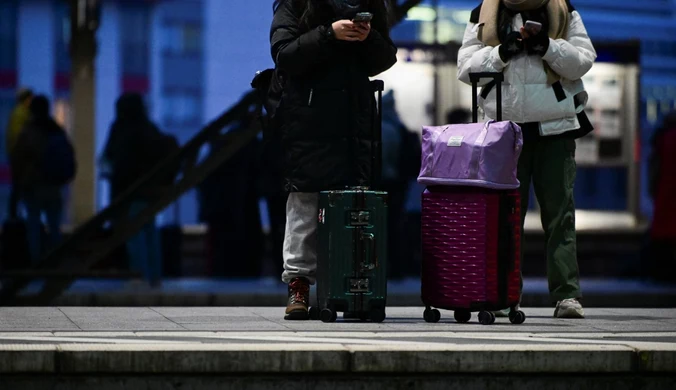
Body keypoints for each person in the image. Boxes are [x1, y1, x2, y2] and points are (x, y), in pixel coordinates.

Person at [458, 0, 597, 318]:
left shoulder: (562, 9)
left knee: (560, 217)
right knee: (504, 221)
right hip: (504, 133)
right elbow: (466, 70)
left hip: (556, 130)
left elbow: (583, 61)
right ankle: (505, 295)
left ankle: (567, 295)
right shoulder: (484, 12)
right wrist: (502, 52)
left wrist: (546, 46)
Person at [270, 0, 397, 320]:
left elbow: (385, 58)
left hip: (354, 121)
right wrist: (329, 34)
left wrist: (367, 36)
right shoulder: (296, 3)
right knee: (304, 202)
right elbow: (284, 55)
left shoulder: (369, 2)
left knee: (354, 208)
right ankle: (298, 287)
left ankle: (352, 290)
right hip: (308, 120)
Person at [102, 93, 177, 288]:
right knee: (150, 233)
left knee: (134, 235)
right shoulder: (150, 129)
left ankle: (139, 275)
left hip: (129, 192)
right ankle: (154, 277)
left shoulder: (121, 129)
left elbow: (111, 158)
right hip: (150, 192)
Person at [11, 95, 75, 262]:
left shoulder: (28, 131)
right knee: (55, 225)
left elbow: (18, 159)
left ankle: (36, 261)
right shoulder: (57, 130)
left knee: (33, 225)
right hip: (54, 185)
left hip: (33, 185)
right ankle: (56, 260)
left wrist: (17, 186)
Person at [647, 112, 676, 284]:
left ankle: (662, 272)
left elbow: (654, 168)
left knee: (664, 232)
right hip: (669, 192)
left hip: (665, 192)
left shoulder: (662, 138)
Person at [5, 88, 34, 220]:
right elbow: (19, 137)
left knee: (19, 189)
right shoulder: (22, 113)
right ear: (27, 99)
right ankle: (15, 217)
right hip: (20, 159)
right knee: (20, 188)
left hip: (17, 157)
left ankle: (15, 216)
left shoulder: (18, 113)